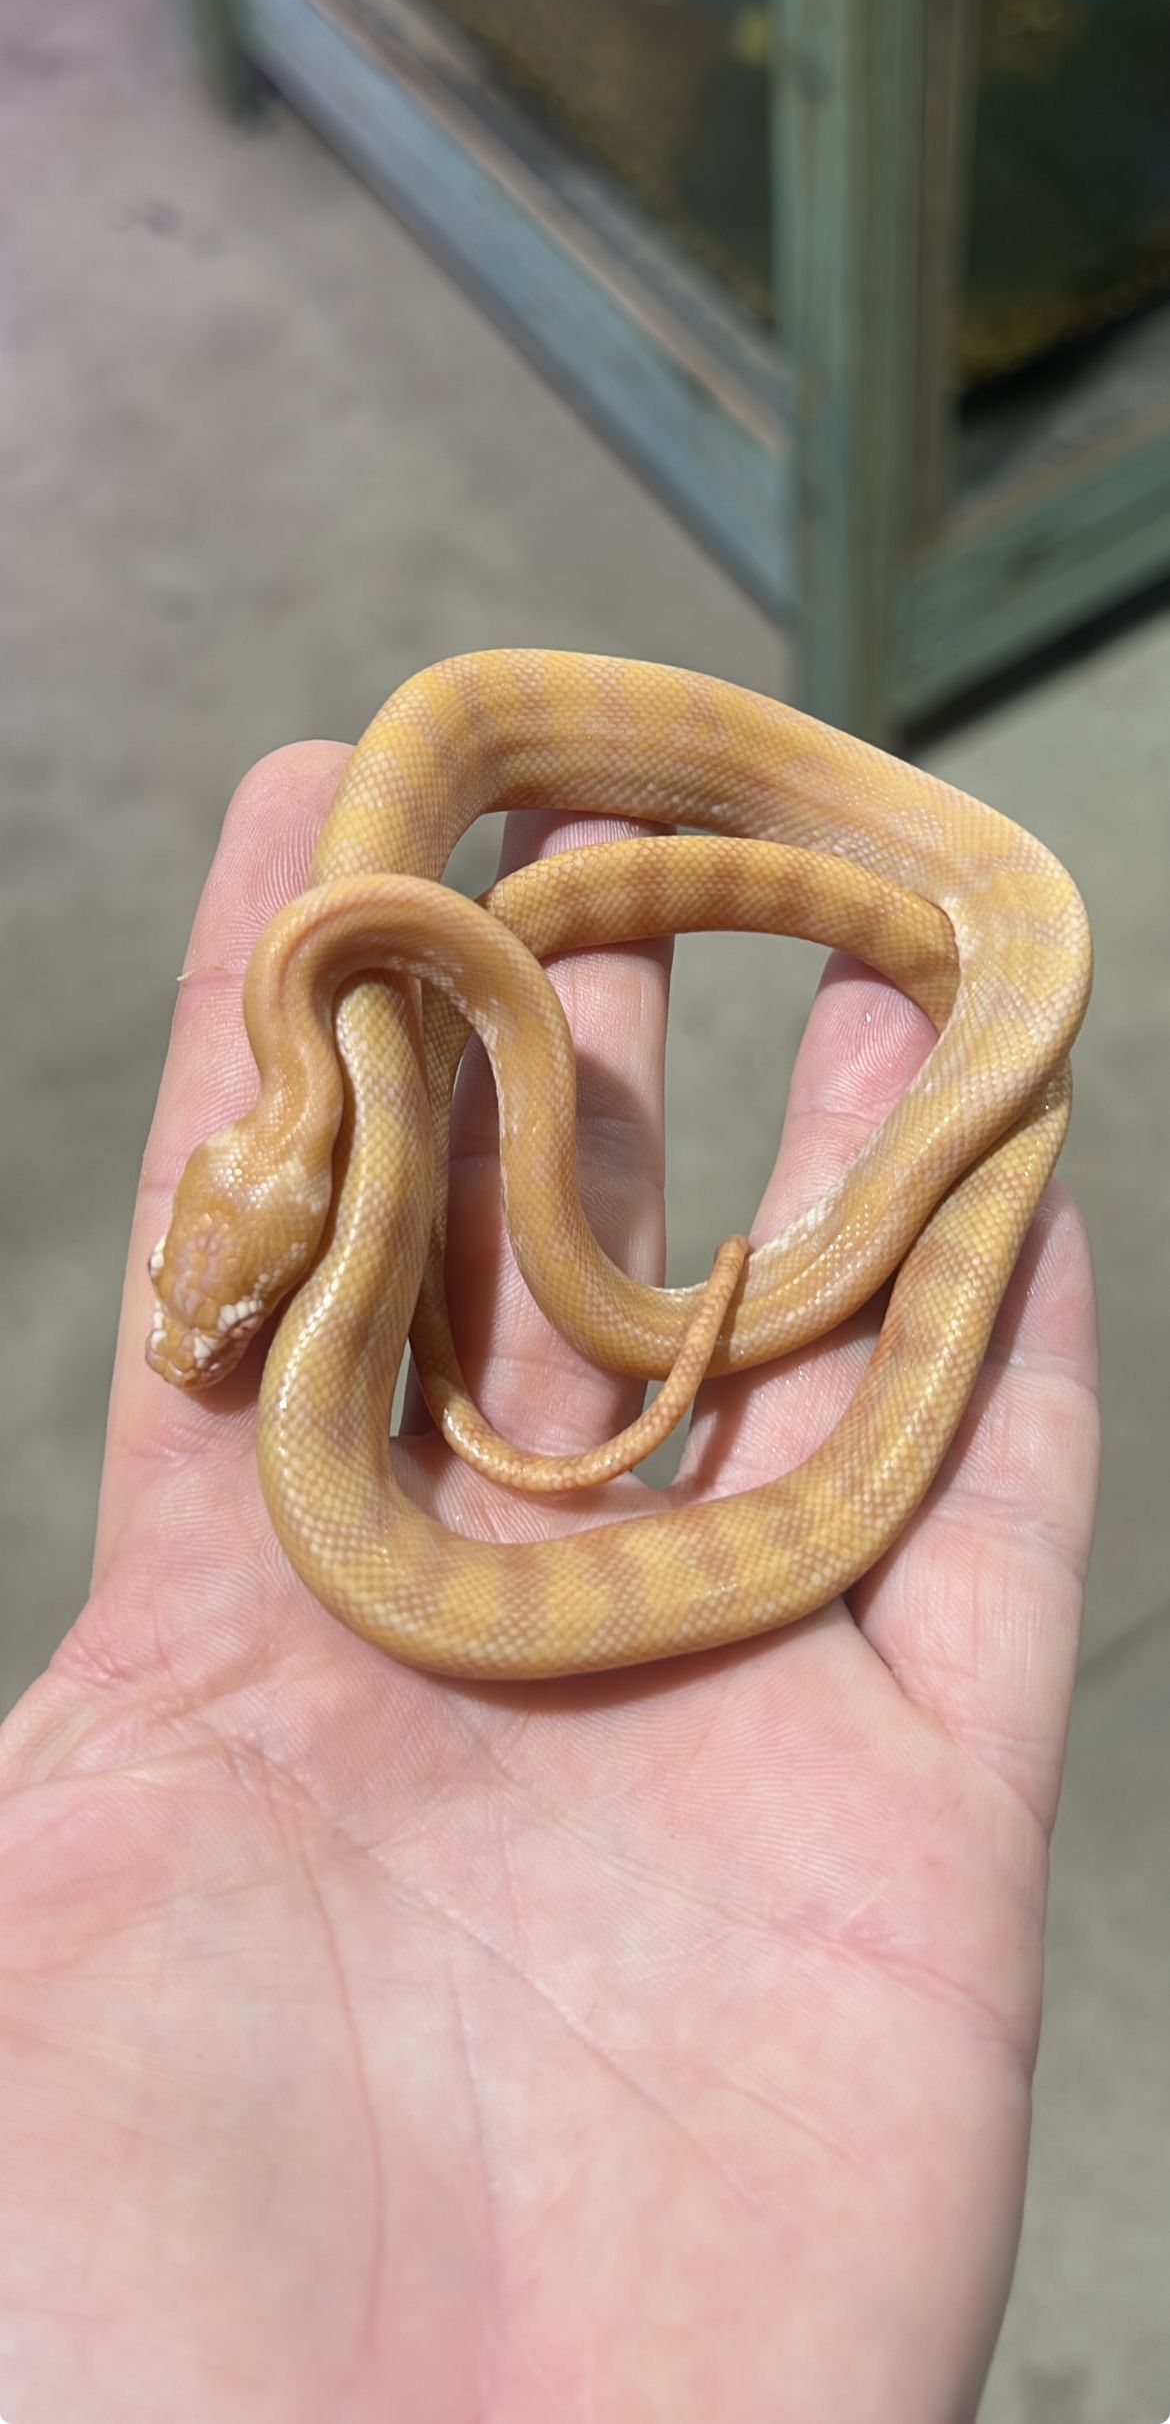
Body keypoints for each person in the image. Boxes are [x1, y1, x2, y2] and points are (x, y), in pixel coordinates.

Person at [0, 743, 1099, 2420]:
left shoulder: (324, 1051)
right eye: (204, 1303)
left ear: (271, 1215)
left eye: (218, 1313)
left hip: (972, 945)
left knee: (910, 1103)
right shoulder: (324, 1098)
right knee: (634, 1291)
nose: (199, 1349)